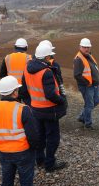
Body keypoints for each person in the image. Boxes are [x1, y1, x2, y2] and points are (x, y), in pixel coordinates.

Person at [21, 42, 67, 172]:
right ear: (46, 57)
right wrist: (62, 101)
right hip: (50, 110)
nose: (51, 58)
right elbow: (50, 94)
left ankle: (39, 160)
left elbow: (24, 90)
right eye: (49, 56)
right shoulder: (46, 72)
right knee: (53, 138)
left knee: (40, 136)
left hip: (36, 109)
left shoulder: (27, 68)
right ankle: (50, 163)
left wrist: (30, 103)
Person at [73, 38, 99, 129]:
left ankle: (82, 116)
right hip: (87, 86)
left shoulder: (89, 56)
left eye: (88, 47)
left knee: (96, 101)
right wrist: (87, 83)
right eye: (84, 47)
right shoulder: (78, 59)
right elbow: (77, 75)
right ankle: (88, 124)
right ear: (80, 47)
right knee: (89, 104)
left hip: (94, 85)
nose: (86, 49)